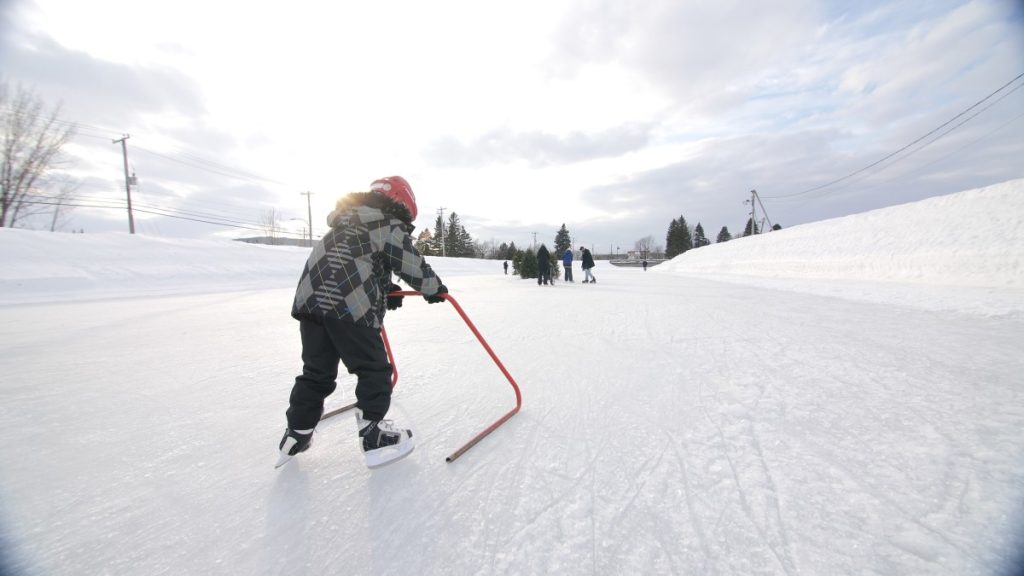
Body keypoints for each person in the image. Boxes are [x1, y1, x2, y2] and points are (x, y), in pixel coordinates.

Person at [278, 176, 448, 470]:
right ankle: (374, 435)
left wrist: (386, 290)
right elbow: (409, 262)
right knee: (374, 368)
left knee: (316, 371)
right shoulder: (386, 223)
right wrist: (433, 288)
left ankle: (296, 433)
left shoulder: (346, 222)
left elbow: (359, 261)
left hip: (310, 303)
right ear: (402, 204)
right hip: (347, 305)